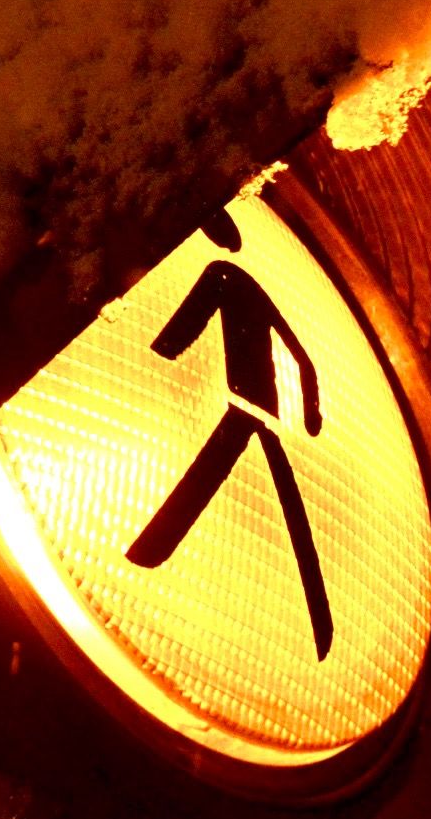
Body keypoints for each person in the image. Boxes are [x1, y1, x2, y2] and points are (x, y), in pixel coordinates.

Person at [126, 213, 336, 657]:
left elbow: (299, 355)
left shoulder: (228, 278)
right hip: (249, 406)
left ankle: (150, 550)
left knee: (239, 481)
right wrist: (161, 350)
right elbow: (298, 356)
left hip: (253, 406)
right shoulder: (229, 278)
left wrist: (312, 414)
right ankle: (149, 550)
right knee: (261, 486)